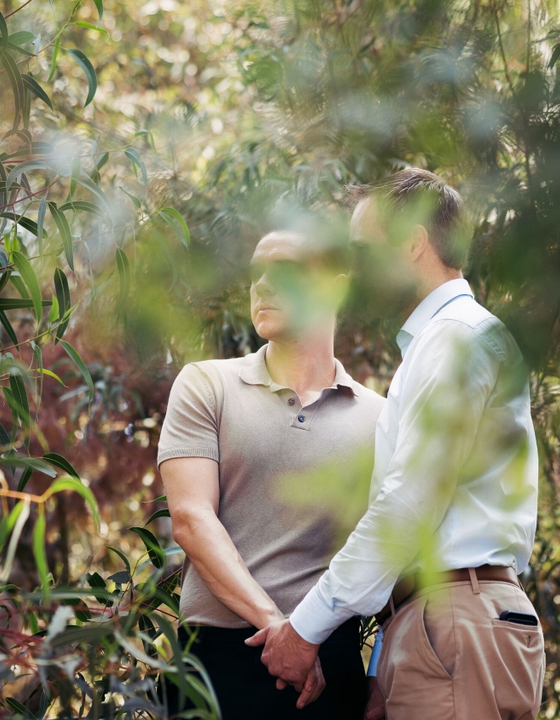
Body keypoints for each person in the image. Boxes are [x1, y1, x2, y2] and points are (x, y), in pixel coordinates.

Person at [247, 169, 545, 719]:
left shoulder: (456, 338)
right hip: (440, 621)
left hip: (454, 617)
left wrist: (306, 628)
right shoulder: (447, 340)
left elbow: (408, 504)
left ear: (412, 245)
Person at [159, 228, 385, 719]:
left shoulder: (380, 418)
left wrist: (380, 673)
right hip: (213, 664)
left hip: (329, 671)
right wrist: (281, 631)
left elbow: (395, 551)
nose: (261, 284)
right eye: (256, 272)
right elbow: (192, 520)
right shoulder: (206, 384)